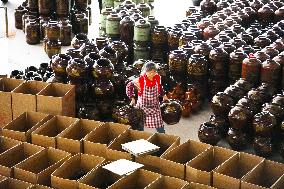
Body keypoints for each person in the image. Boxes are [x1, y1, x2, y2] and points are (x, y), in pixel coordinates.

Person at [126, 61, 169, 133]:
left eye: (154, 72)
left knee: (159, 123)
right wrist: (132, 98)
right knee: (140, 123)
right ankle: (140, 136)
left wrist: (164, 95)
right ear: (145, 72)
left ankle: (163, 135)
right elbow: (129, 86)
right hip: (143, 106)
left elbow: (159, 87)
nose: (152, 74)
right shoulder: (141, 80)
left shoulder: (157, 78)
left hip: (154, 105)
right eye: (150, 72)